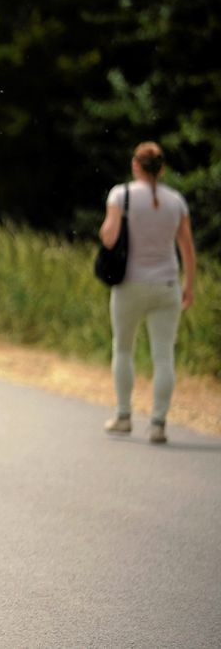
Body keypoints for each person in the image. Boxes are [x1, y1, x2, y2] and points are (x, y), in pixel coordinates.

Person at [99, 141, 196, 444]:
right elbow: (188, 249)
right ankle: (157, 424)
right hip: (167, 284)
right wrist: (189, 284)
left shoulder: (120, 194)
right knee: (163, 356)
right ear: (163, 169)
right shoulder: (176, 201)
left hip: (129, 284)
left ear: (135, 165)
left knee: (124, 349)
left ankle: (124, 416)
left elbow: (110, 237)